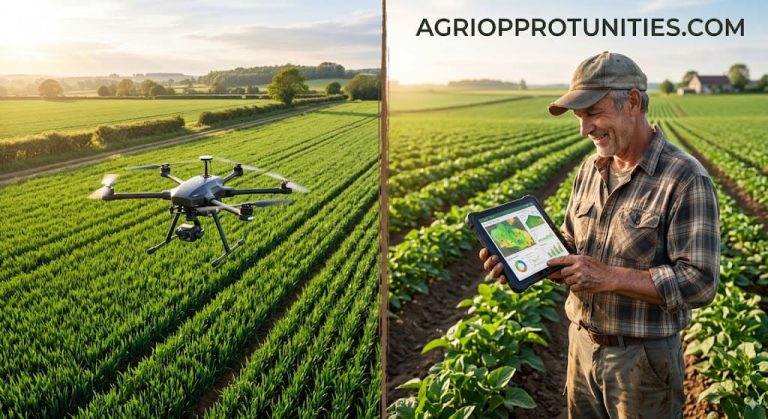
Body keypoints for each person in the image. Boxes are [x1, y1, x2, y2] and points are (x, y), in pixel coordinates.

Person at [478, 51, 720, 418]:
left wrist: (607, 277)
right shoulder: (590, 169)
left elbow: (700, 282)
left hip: (643, 360)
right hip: (581, 348)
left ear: (633, 102)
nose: (584, 128)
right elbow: (573, 243)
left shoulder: (684, 178)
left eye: (593, 113)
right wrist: (523, 260)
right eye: (579, 117)